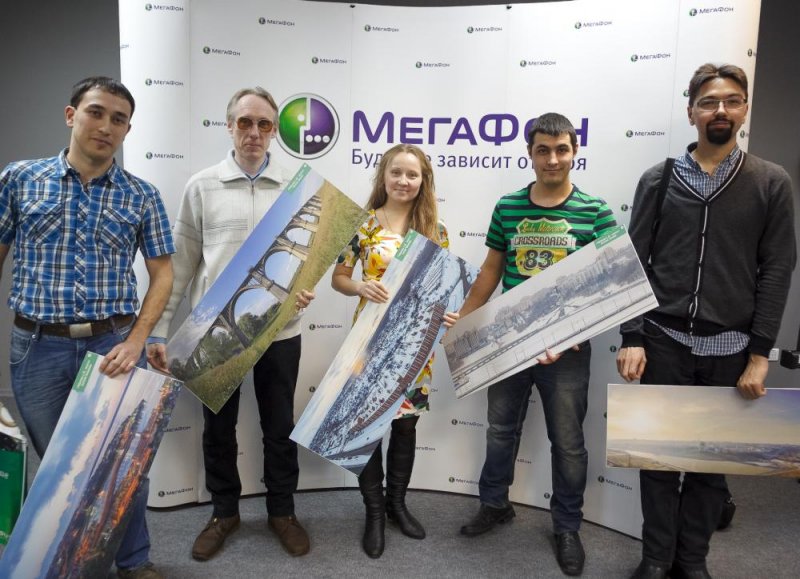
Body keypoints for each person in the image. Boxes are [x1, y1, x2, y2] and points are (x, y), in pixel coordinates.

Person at [617, 63, 796, 579]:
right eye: (709, 102)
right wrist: (632, 335)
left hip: (731, 351)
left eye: (732, 101)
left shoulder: (771, 182)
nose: (721, 110)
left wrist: (759, 355)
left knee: (711, 466)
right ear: (691, 110)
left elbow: (777, 268)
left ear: (744, 109)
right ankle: (655, 560)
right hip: (664, 341)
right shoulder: (658, 179)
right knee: (657, 460)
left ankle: (691, 562)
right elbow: (634, 263)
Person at [0, 76, 175, 579]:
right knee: (60, 467)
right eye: (96, 112)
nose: (106, 126)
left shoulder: (141, 195)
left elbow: (163, 273)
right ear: (71, 115)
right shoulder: (19, 179)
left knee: (125, 463)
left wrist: (137, 340)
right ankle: (67, 562)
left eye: (118, 119)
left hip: (113, 344)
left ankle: (134, 561)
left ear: (127, 130)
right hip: (37, 348)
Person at [148, 86, 315, 561]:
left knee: (279, 426)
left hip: (280, 332)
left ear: (274, 131)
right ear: (229, 126)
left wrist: (305, 292)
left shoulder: (298, 185)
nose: (254, 132)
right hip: (215, 332)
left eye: (264, 124)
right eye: (245, 122)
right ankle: (224, 512)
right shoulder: (202, 185)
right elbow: (181, 265)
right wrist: (159, 328)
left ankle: (283, 511)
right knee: (217, 428)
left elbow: (308, 259)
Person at [455, 113, 617, 577]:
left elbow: (614, 278)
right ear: (530, 153)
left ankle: (567, 526)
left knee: (567, 442)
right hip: (511, 342)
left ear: (574, 151)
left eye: (561, 149)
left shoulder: (596, 210)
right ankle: (494, 504)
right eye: (543, 150)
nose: (552, 159)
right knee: (500, 430)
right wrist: (462, 324)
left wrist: (574, 333)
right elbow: (491, 270)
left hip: (567, 352)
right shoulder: (508, 206)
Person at [331, 143, 450, 559]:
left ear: (423, 180)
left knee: (405, 426)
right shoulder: (363, 225)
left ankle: (397, 504)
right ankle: (375, 513)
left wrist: (447, 312)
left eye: (412, 174)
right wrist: (360, 286)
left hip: (415, 343)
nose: (403, 180)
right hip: (368, 343)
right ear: (383, 176)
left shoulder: (435, 229)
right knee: (367, 426)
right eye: (396, 172)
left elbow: (441, 287)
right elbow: (339, 278)